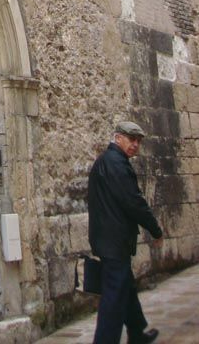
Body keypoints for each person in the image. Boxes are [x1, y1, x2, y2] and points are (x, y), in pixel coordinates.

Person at [88, 120, 164, 344]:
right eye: (132, 139)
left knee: (125, 287)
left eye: (138, 141)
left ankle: (137, 332)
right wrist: (155, 230)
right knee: (113, 297)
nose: (136, 145)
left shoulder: (105, 161)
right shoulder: (117, 165)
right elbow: (134, 203)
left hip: (107, 239)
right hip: (115, 241)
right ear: (118, 137)